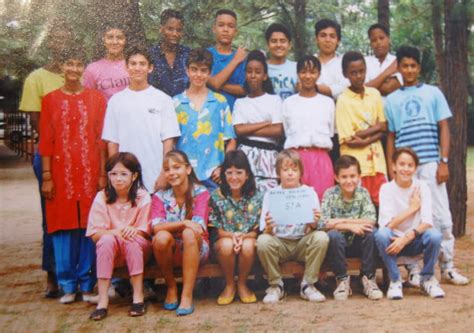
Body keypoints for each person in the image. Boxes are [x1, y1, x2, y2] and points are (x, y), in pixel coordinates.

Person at [384, 46, 469, 286]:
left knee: (441, 216)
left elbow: (443, 127)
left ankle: (448, 266)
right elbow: (391, 135)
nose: (409, 70)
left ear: (419, 68)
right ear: (398, 68)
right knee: (407, 217)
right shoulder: (391, 100)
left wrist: (443, 161)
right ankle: (413, 269)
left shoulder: (433, 93)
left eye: (413, 66)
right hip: (404, 167)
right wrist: (393, 167)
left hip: (430, 162)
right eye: (404, 66)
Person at [38, 47, 106, 304]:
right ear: (62, 68)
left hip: (90, 172)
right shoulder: (50, 99)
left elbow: (101, 140)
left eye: (79, 64)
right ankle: (68, 285)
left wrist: (101, 174)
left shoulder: (97, 99)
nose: (74, 69)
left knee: (90, 226)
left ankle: (88, 284)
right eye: (69, 63)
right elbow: (46, 140)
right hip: (60, 172)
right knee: (63, 227)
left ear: (84, 68)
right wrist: (46, 176)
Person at [18, 21, 72, 298]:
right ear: (49, 43)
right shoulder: (36, 79)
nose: (62, 44)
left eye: (67, 39)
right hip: (51, 156)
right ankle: (52, 274)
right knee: (51, 214)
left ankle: (76, 274)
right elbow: (38, 122)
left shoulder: (76, 75)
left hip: (78, 156)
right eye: (57, 39)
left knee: (79, 215)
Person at [102, 46, 181, 193]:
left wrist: (165, 173)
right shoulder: (115, 101)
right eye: (133, 63)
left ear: (150, 68)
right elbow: (113, 143)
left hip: (155, 178)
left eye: (142, 64)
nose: (137, 68)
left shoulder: (163, 99)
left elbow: (168, 141)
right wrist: (115, 175)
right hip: (125, 180)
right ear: (126, 67)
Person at [257, 150, 329, 304]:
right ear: (278, 173)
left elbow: (316, 226)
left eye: (294, 170)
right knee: (263, 241)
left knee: (321, 237)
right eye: (285, 170)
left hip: (302, 242)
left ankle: (308, 285)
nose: (290, 174)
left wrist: (314, 222)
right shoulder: (271, 195)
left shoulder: (309, 193)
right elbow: (264, 229)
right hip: (280, 243)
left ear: (300, 172)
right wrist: (269, 227)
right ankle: (276, 285)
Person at [87, 153, 152, 320]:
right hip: (111, 250)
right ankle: (102, 300)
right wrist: (115, 232)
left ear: (134, 175)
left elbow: (146, 230)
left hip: (137, 248)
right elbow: (94, 234)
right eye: (113, 174)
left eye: (124, 174)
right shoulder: (102, 197)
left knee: (131, 241)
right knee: (106, 240)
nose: (118, 179)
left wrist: (133, 231)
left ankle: (138, 297)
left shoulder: (142, 196)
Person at [375, 148, 445, 299]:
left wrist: (406, 237)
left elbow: (427, 222)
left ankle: (427, 279)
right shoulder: (386, 188)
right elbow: (387, 225)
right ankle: (395, 280)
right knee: (381, 234)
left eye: (410, 165)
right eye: (401, 164)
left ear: (415, 168)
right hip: (393, 242)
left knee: (435, 235)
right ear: (393, 166)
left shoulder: (422, 187)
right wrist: (412, 208)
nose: (405, 169)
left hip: (415, 239)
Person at [151, 150, 210, 316]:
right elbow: (156, 227)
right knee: (161, 238)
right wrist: (183, 222)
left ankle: (186, 294)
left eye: (176, 167)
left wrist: (174, 226)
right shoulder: (160, 196)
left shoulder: (201, 193)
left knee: (189, 234)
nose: (172, 173)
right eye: (167, 169)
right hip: (170, 250)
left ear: (188, 169)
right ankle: (171, 287)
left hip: (196, 249)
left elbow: (198, 227)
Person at [319, 155, 383, 301]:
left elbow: (371, 220)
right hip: (337, 246)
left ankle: (368, 278)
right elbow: (323, 222)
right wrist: (349, 226)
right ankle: (342, 280)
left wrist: (341, 221)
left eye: (353, 176)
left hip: (357, 244)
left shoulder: (363, 193)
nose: (349, 181)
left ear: (359, 176)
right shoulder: (330, 194)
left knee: (371, 232)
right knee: (333, 235)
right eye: (344, 177)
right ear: (336, 177)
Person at [174, 48, 236, 191]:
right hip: (184, 175)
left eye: (203, 70)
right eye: (194, 69)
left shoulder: (220, 102)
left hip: (213, 173)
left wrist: (223, 167)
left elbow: (231, 139)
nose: (198, 75)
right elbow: (170, 142)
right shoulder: (175, 103)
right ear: (187, 70)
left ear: (209, 72)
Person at [209, 150, 263, 305]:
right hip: (224, 240)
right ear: (223, 174)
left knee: (248, 245)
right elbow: (218, 230)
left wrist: (242, 237)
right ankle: (229, 284)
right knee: (227, 245)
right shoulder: (216, 196)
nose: (234, 177)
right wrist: (233, 237)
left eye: (239, 172)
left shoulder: (257, 196)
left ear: (247, 174)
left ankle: (242, 283)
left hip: (248, 240)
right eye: (229, 172)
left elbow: (255, 231)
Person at [336, 51, 387, 206]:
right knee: (358, 205)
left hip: (377, 162)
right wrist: (375, 129)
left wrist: (364, 135)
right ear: (345, 74)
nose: (358, 76)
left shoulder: (375, 94)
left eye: (361, 71)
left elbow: (384, 126)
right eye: (353, 73)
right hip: (356, 165)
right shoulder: (343, 100)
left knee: (382, 204)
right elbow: (349, 140)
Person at [282, 55, 335, 201]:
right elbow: (287, 131)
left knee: (322, 201)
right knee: (296, 201)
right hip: (295, 159)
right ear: (298, 74)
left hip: (321, 158)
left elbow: (330, 133)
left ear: (319, 74)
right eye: (303, 72)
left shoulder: (328, 103)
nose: (307, 76)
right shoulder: (288, 103)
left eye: (312, 72)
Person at [233, 50, 284, 191]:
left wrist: (249, 127)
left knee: (268, 197)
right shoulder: (240, 102)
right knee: (245, 196)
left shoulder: (274, 100)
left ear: (265, 75)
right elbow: (239, 130)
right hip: (245, 155)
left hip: (269, 156)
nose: (253, 76)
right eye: (249, 71)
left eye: (258, 71)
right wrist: (266, 123)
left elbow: (278, 130)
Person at [207, 9, 247, 110]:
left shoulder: (242, 58)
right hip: (208, 115)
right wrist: (235, 61)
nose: (226, 29)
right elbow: (215, 84)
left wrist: (216, 83)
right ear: (214, 29)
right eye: (221, 25)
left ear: (235, 32)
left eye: (230, 26)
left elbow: (244, 89)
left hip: (234, 116)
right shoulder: (206, 55)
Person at [83, 24, 130, 102]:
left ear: (125, 41)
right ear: (103, 41)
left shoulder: (134, 65)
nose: (115, 42)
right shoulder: (92, 69)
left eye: (119, 38)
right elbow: (88, 100)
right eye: (110, 37)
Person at [149, 9, 190, 97]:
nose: (175, 34)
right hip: (156, 108)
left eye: (179, 30)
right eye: (170, 29)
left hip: (184, 108)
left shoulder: (189, 55)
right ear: (161, 29)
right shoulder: (149, 55)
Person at [313, 19, 349, 100]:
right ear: (316, 39)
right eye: (323, 35)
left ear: (338, 41)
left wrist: (314, 87)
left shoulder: (345, 63)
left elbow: (343, 90)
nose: (327, 40)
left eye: (332, 36)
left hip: (339, 110)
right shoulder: (309, 63)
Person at [365, 23, 402, 97]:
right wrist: (388, 72)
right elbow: (361, 89)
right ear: (370, 44)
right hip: (369, 108)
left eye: (381, 38)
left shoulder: (397, 61)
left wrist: (371, 84)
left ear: (389, 39)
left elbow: (388, 88)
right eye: (374, 40)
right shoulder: (364, 62)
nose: (378, 42)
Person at [265, 23, 298, 100]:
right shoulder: (261, 69)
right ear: (267, 45)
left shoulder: (298, 68)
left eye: (283, 41)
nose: (278, 45)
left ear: (289, 45)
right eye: (274, 41)